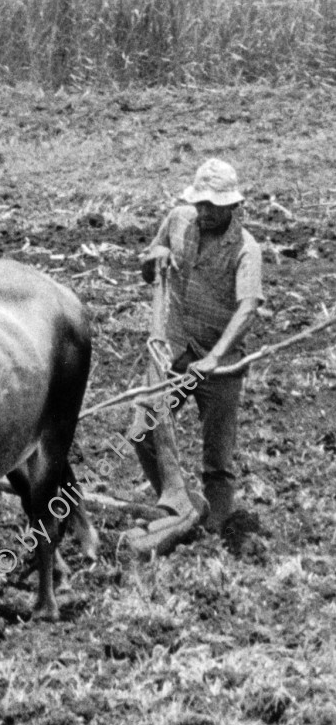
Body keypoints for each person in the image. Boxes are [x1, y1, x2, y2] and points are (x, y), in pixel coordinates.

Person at [130, 158, 264, 536]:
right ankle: (179, 505)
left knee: (217, 461)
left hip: (219, 365)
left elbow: (248, 308)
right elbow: (148, 264)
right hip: (174, 350)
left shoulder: (245, 249)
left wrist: (214, 357)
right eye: (200, 203)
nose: (204, 212)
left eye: (214, 207)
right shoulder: (177, 220)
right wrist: (152, 259)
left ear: (233, 206)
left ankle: (215, 532)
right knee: (143, 430)